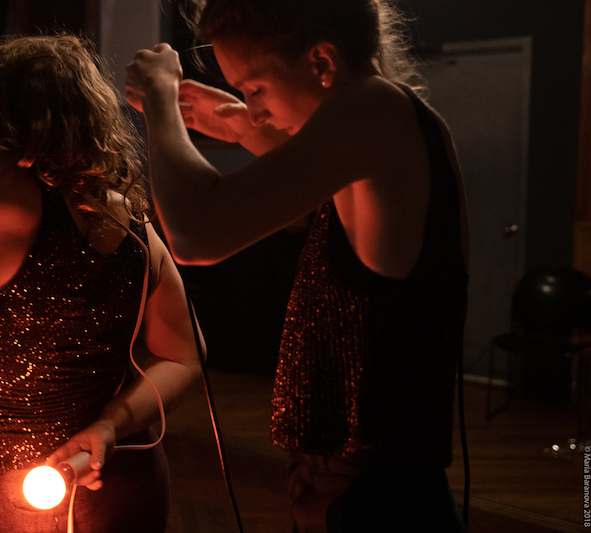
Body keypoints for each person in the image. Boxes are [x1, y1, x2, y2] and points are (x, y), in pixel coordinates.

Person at [125, 0, 469, 531]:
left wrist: (160, 102)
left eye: (255, 87)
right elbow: (311, 169)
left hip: (383, 500)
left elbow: (196, 232)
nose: (254, 107)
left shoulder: (375, 109)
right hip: (361, 489)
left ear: (322, 63)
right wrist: (240, 124)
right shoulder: (386, 123)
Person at [0, 32, 203, 533]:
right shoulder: (136, 227)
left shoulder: (7, 211)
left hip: (22, 506)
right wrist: (110, 427)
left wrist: (19, 103)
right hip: (129, 478)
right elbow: (185, 355)